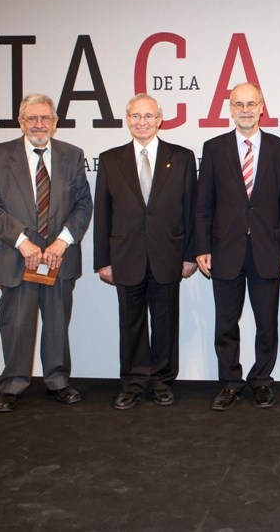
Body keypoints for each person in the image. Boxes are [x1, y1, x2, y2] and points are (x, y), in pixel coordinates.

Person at [0, 94, 93, 412]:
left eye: (45, 118)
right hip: (17, 257)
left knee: (57, 323)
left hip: (59, 258)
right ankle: (12, 385)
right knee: (16, 325)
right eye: (32, 118)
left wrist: (62, 242)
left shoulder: (72, 155)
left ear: (55, 122)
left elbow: (83, 204)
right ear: (21, 122)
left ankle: (57, 381)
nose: (39, 124)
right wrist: (22, 242)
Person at [195, 83, 280, 411]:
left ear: (262, 107)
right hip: (225, 250)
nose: (246, 110)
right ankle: (230, 382)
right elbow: (203, 204)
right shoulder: (214, 148)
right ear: (230, 109)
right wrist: (202, 246)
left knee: (267, 323)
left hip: (268, 249)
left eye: (251, 104)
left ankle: (262, 380)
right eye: (239, 104)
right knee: (226, 323)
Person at [94, 93, 198, 410]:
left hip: (169, 255)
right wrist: (102, 260)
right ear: (127, 120)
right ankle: (134, 382)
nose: (142, 122)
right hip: (125, 257)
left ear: (160, 119)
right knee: (131, 324)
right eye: (136, 116)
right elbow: (103, 213)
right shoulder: (110, 160)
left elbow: (191, 211)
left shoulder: (181, 158)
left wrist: (190, 255)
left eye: (148, 116)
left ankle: (162, 382)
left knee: (166, 323)